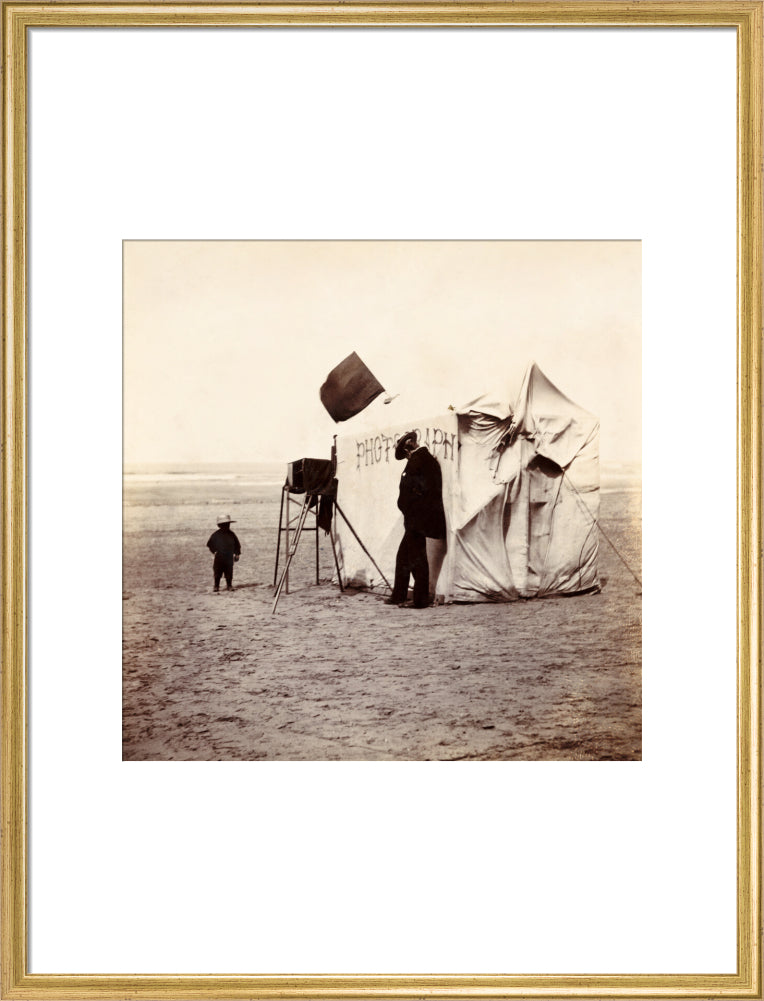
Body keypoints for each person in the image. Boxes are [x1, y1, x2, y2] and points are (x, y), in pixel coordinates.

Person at [386, 430, 446, 609]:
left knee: (417, 559)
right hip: (417, 518)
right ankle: (399, 595)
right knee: (403, 557)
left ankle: (420, 600)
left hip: (417, 519)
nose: (406, 456)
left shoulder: (419, 461)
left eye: (406, 452)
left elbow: (415, 491)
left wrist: (407, 508)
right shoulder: (425, 460)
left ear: (410, 445)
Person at [206, 514, 241, 592]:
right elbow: (210, 544)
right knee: (217, 572)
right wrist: (214, 551)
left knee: (229, 572)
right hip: (219, 557)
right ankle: (216, 586)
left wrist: (237, 554)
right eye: (224, 524)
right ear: (220, 525)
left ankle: (229, 585)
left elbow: (237, 545)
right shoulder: (216, 535)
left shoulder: (232, 534)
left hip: (229, 557)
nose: (226, 526)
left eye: (227, 524)